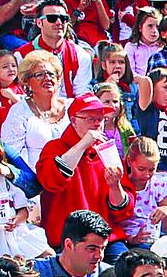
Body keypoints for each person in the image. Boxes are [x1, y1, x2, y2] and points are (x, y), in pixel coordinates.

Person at [35, 91, 131, 250]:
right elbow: (51, 181)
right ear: (73, 121)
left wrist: (115, 186)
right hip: (69, 240)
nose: (97, 124)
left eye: (100, 119)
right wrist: (82, 144)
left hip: (106, 238)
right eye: (90, 119)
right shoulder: (55, 148)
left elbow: (122, 210)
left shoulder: (107, 151)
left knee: (125, 268)